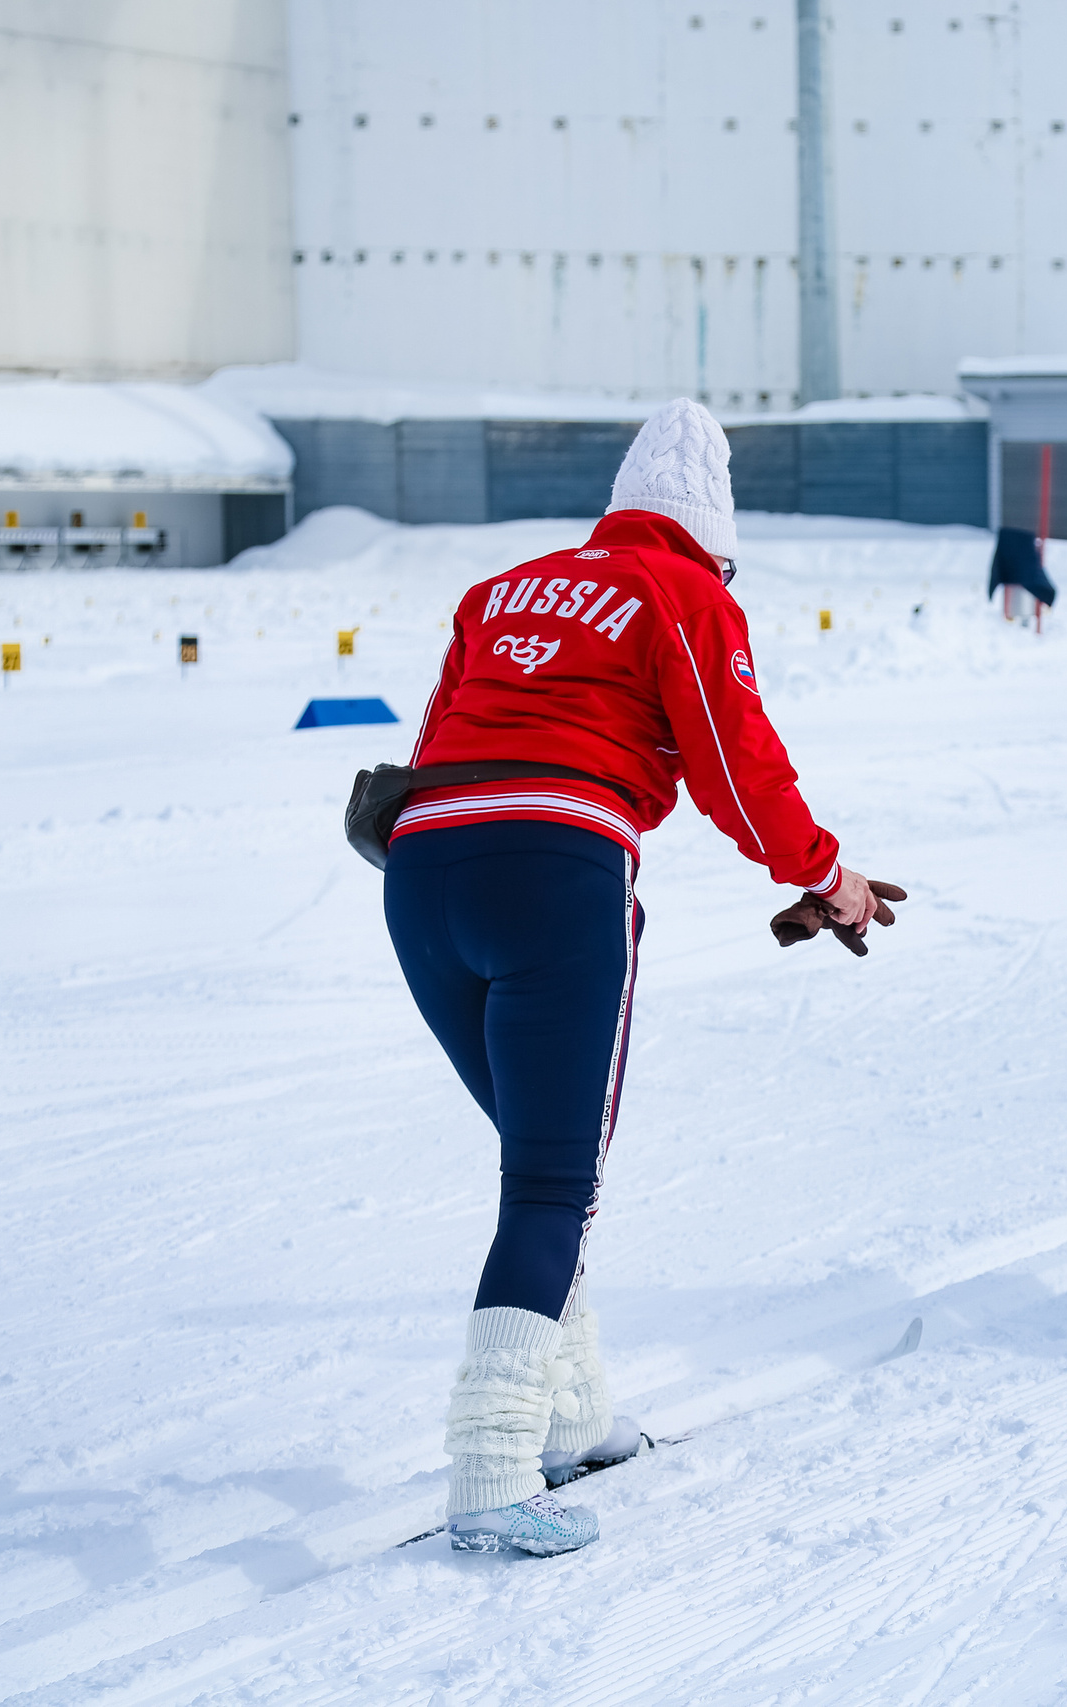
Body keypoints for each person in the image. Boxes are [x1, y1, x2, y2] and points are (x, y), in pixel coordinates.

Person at [383, 399, 898, 1555]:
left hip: (420, 874)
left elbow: (431, 742)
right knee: (553, 1181)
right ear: (712, 536)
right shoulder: (689, 595)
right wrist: (827, 874)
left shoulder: (502, 587)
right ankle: (489, 1470)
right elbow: (733, 759)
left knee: (539, 1162)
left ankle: (573, 1418)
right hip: (556, 869)